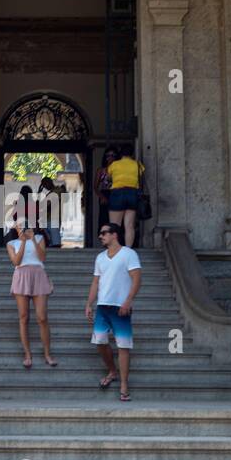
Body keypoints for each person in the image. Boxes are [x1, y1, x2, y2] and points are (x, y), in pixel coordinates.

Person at [86, 222, 141, 401]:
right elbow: (96, 282)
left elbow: (136, 279)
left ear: (114, 234)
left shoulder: (129, 254)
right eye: (100, 233)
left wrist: (128, 301)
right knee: (100, 341)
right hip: (102, 306)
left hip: (121, 307)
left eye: (104, 233)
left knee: (123, 346)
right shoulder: (100, 258)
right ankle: (112, 370)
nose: (100, 236)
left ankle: (124, 385)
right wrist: (89, 304)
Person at [6, 220, 57, 368]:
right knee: (23, 317)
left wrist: (33, 239)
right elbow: (16, 262)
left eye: (26, 224)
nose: (24, 227)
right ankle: (27, 354)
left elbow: (42, 258)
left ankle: (47, 354)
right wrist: (23, 242)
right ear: (16, 228)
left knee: (42, 317)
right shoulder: (11, 243)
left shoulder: (39, 238)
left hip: (38, 274)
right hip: (21, 275)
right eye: (20, 225)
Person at [106, 145, 144, 250]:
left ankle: (115, 249)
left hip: (117, 194)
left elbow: (108, 178)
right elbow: (140, 176)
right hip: (132, 194)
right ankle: (128, 250)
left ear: (120, 154)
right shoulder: (137, 164)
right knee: (129, 225)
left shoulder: (114, 165)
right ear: (132, 154)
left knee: (115, 226)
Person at [95, 146, 118, 239]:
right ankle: (104, 239)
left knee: (116, 218)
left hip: (116, 194)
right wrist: (102, 197)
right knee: (104, 218)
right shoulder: (101, 170)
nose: (110, 158)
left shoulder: (119, 169)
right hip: (104, 194)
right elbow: (95, 187)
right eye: (108, 155)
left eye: (113, 155)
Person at [38, 176, 62, 247]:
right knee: (50, 241)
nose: (45, 187)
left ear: (50, 182)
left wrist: (43, 211)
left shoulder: (58, 190)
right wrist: (39, 192)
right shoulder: (49, 194)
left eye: (45, 184)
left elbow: (51, 204)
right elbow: (40, 204)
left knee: (55, 240)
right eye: (43, 185)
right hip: (47, 218)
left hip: (54, 218)